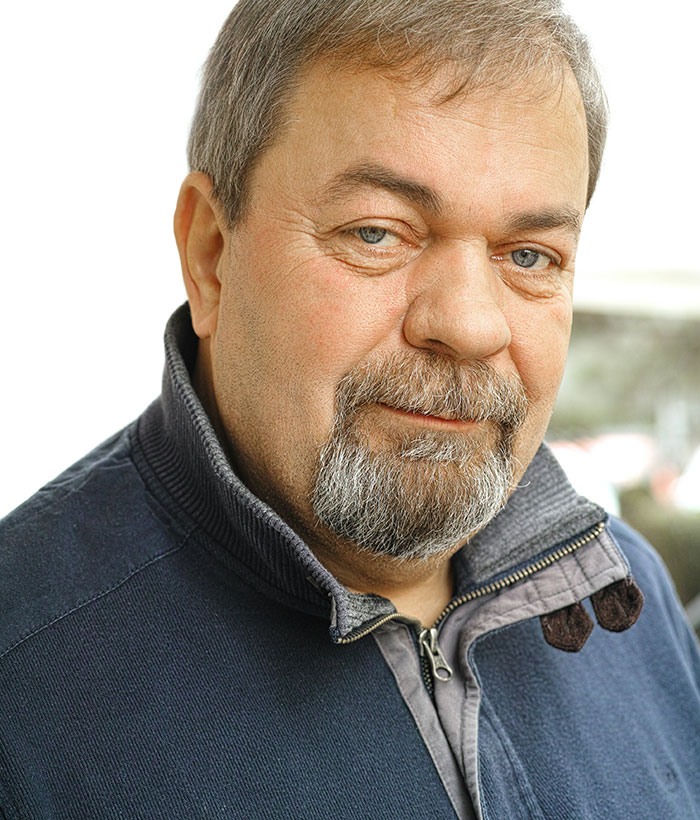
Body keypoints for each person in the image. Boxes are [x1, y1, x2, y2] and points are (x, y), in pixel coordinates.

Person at [1, 1, 699, 817]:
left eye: (530, 255)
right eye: (377, 233)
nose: (470, 325)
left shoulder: (628, 598)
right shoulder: (23, 693)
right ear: (211, 255)